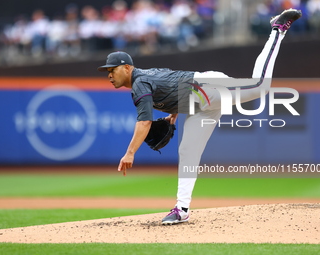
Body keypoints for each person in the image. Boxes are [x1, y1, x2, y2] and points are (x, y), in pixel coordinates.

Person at [97, 9, 302, 224]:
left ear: (127, 67)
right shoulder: (144, 78)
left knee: (260, 85)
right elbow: (172, 81)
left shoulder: (139, 83)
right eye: (107, 71)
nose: (109, 74)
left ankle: (277, 30)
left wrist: (130, 153)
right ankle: (181, 208)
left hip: (205, 88)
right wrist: (174, 113)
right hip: (196, 102)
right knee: (187, 150)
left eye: (113, 69)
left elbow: (145, 121)